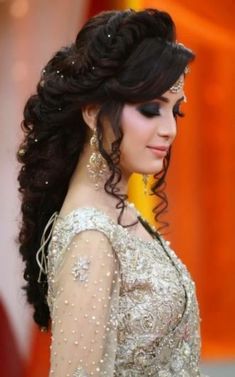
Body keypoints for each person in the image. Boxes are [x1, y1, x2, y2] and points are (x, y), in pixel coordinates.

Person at [16, 8, 208, 377]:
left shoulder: (115, 214)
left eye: (176, 112)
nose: (170, 129)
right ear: (92, 112)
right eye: (152, 109)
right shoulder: (90, 238)